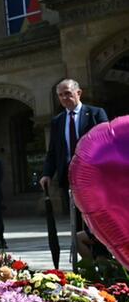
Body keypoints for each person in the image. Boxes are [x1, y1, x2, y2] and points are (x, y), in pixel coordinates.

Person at [40, 79, 109, 213]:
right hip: (69, 177)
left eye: (67, 93)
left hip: (93, 175)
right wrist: (47, 174)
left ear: (78, 93)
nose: (64, 98)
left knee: (96, 214)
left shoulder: (96, 114)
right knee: (75, 217)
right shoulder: (57, 121)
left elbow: (107, 144)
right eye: (60, 95)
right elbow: (53, 151)